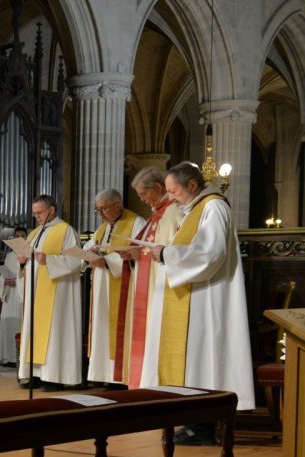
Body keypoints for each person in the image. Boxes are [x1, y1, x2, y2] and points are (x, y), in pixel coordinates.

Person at [149, 161, 256, 441]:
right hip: (197, 295)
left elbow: (209, 252)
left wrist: (165, 254)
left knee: (204, 359)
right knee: (196, 359)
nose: (170, 198)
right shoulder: (196, 209)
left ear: (192, 185)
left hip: (208, 299)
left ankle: (204, 424)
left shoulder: (213, 207)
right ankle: (194, 420)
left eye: (173, 191)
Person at [122, 167, 183, 389]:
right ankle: (146, 382)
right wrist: (134, 254)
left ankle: (155, 384)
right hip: (148, 288)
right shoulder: (157, 213)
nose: (141, 199)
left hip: (163, 288)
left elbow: (175, 250)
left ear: (158, 188)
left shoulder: (175, 212)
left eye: (143, 194)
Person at [17, 196, 82, 390]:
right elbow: (28, 263)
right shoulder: (34, 233)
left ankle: (54, 376)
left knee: (54, 332)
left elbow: (76, 260)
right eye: (34, 213)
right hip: (35, 292)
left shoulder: (66, 231)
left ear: (52, 210)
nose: (36, 216)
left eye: (39, 212)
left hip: (57, 292)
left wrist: (50, 260)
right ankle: (35, 374)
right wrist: (22, 261)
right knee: (34, 330)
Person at [85, 188, 141, 387]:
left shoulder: (136, 223)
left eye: (104, 209)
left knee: (118, 328)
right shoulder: (103, 228)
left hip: (122, 284)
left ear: (118, 205)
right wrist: (90, 253)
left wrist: (107, 262)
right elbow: (91, 245)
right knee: (101, 327)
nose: (100, 214)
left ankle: (118, 376)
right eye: (98, 210)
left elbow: (138, 253)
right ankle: (103, 375)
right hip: (102, 283)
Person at [0, 228, 27, 366]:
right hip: (9, 295)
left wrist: (18, 281)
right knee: (7, 325)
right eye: (16, 236)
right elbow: (4, 275)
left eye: (22, 236)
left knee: (18, 325)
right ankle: (7, 357)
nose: (19, 238)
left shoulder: (29, 255)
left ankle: (18, 358)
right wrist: (5, 280)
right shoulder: (9, 256)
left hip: (21, 296)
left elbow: (31, 276)